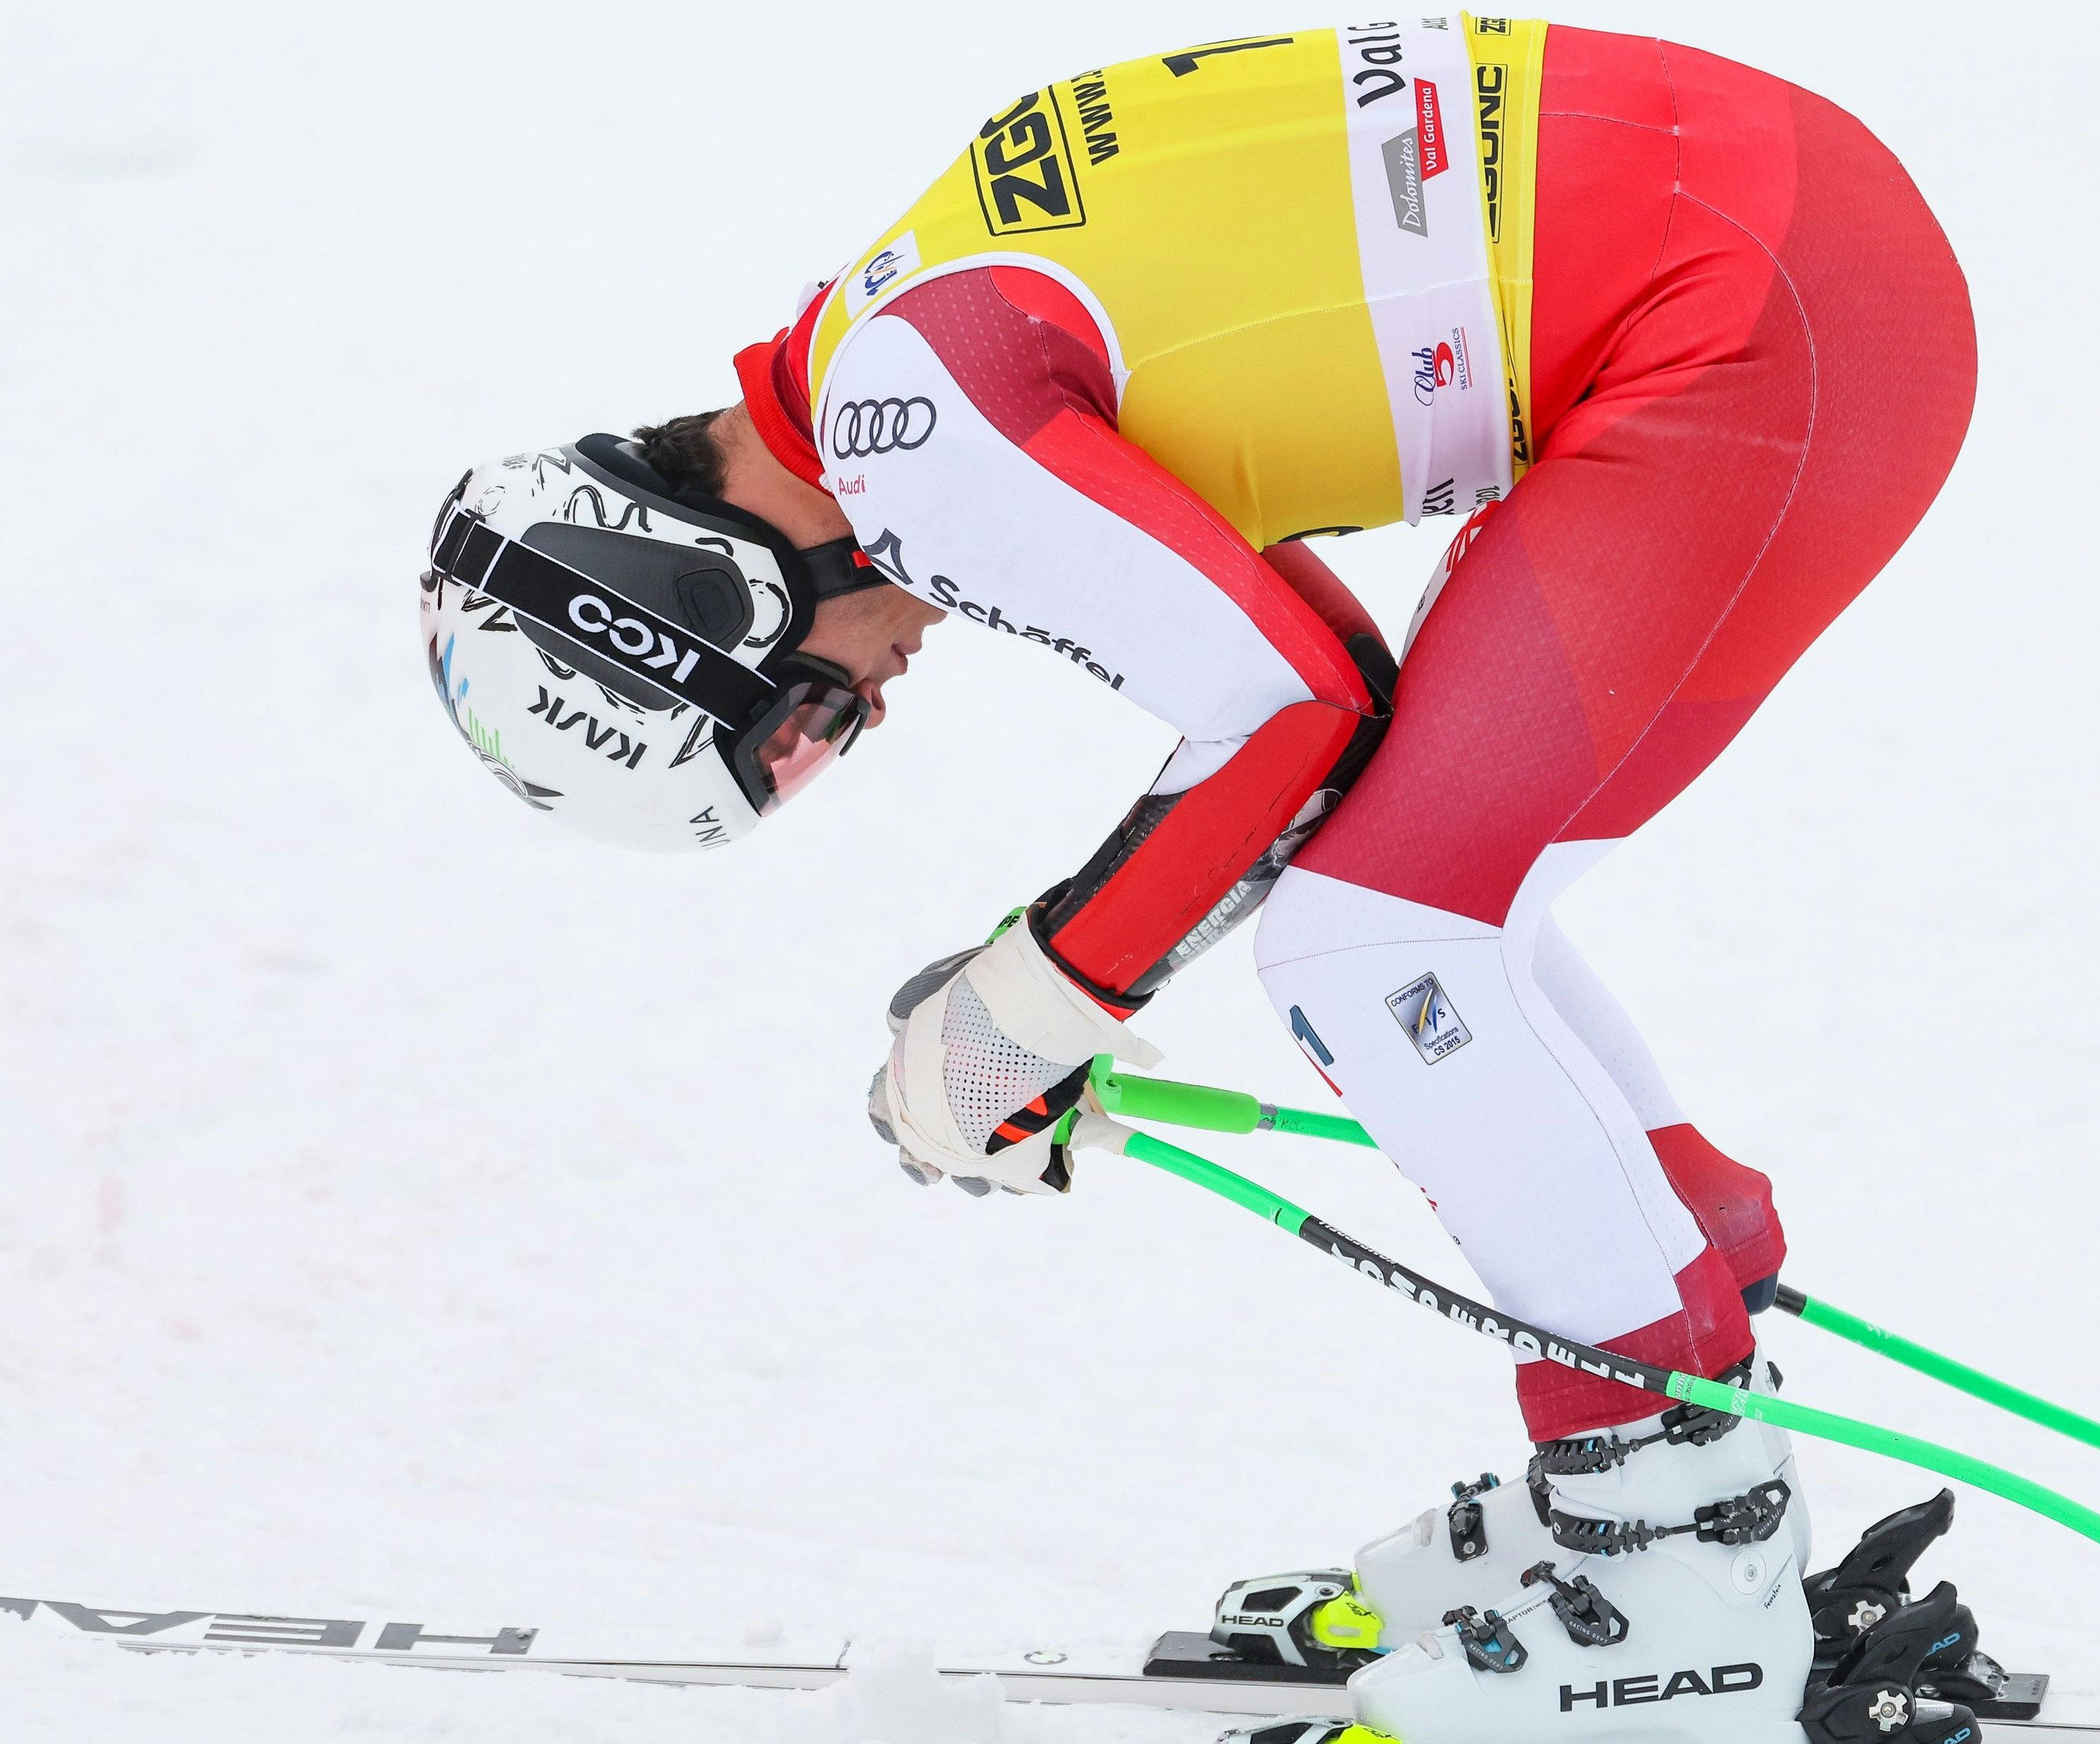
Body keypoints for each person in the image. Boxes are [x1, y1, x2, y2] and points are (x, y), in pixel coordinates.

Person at [418, 19, 1975, 1742]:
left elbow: (1285, 712)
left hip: (1747, 311)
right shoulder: (892, 350)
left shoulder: (901, 436)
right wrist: (1051, 990)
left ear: (710, 595)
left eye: (800, 717)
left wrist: (1014, 1024)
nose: (868, 710)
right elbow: (1331, 689)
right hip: (1777, 250)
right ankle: (1671, 1423)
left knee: (1375, 940)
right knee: (1412, 900)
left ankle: (1673, 1553)